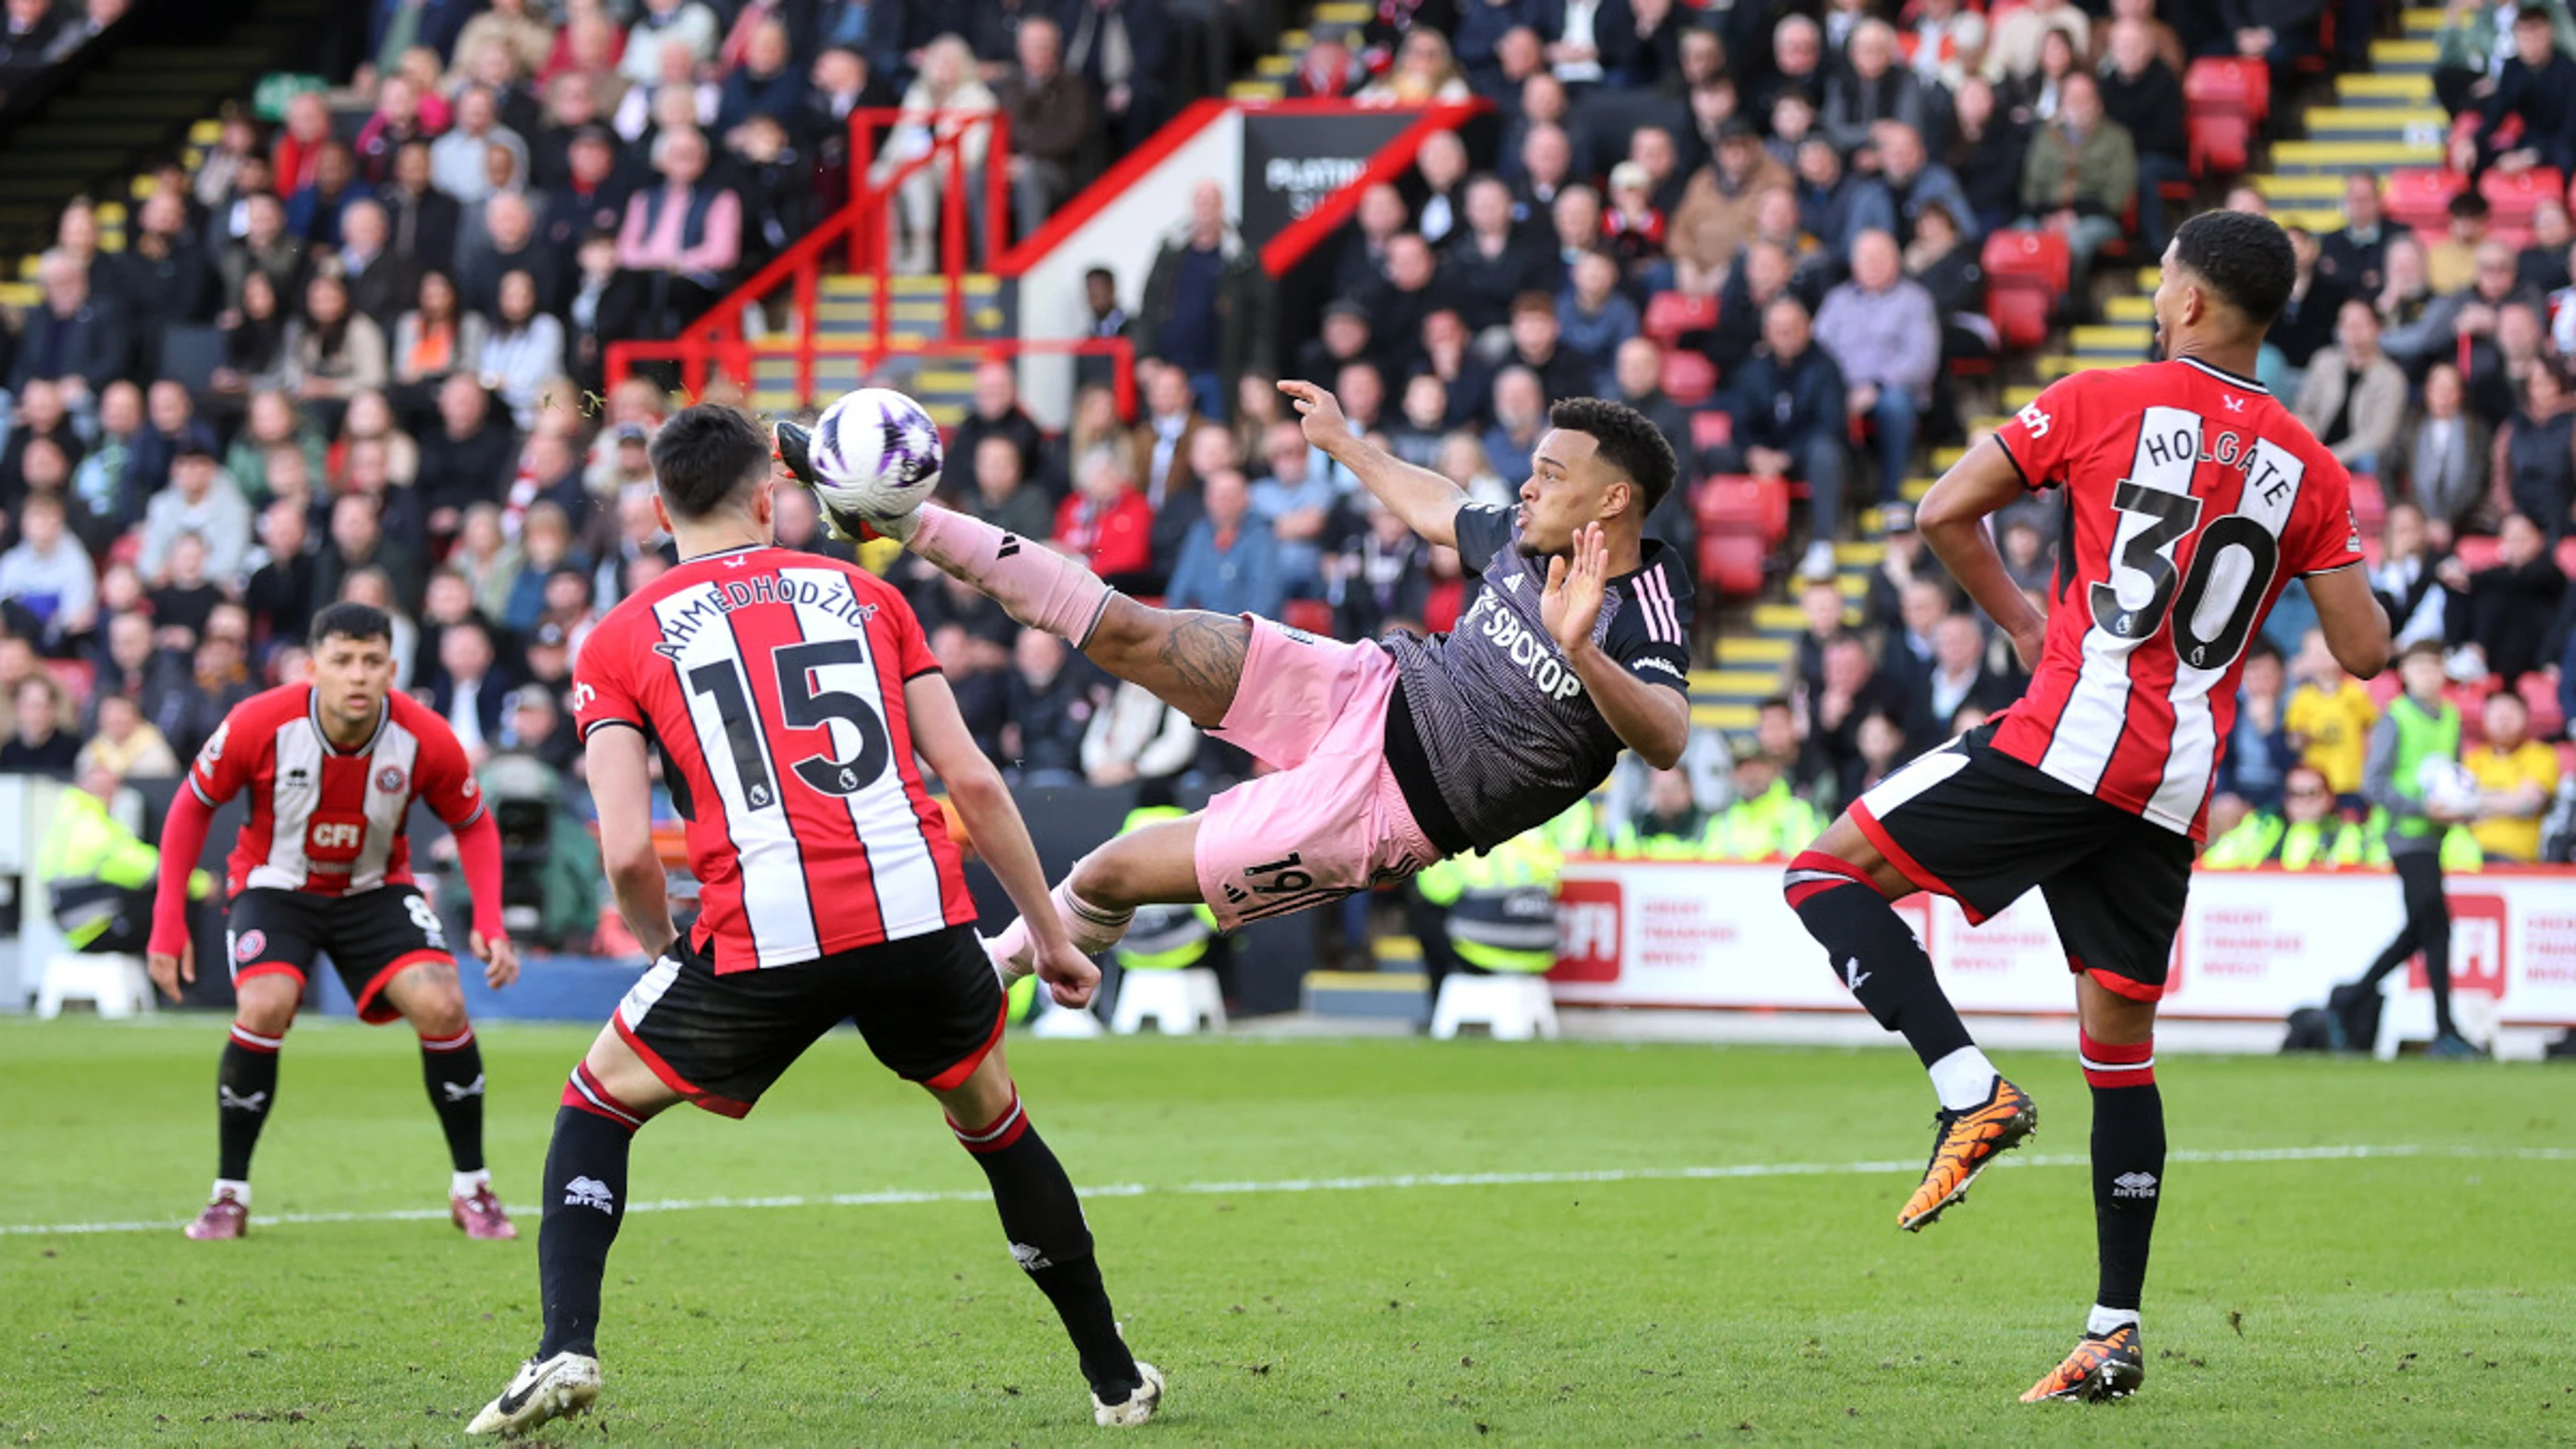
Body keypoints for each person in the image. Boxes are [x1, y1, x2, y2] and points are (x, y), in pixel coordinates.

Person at [1778, 211, 2389, 1401]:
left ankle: (1969, 1089)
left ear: (2191, 303)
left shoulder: (2104, 398)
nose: (2157, 296)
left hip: (2070, 737)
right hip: (2174, 783)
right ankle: (2113, 1331)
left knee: (1823, 874)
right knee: (2120, 1056)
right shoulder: (2310, 467)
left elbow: (1941, 512)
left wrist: (2021, 620)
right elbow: (2363, 649)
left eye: (2164, 281)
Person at [482, 406, 1162, 1436]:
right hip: (916, 916)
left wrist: (667, 951)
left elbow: (624, 853)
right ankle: (1113, 1378)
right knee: (995, 1125)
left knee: (595, 1108)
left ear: (658, 511)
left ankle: (564, 1346)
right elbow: (975, 782)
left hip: (760, 935)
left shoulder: (617, 638)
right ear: (769, 499)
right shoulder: (869, 595)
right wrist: (1052, 936)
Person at [777, 382, 1692, 990]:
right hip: (1369, 688)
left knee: (1111, 873)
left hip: (1387, 808)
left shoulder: (1648, 599)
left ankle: (993, 976)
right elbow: (1439, 506)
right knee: (1131, 627)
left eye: (1549, 475)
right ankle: (900, 517)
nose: (1527, 488)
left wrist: (1583, 651)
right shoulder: (1528, 541)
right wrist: (1345, 444)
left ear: (1613, 500)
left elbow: (1665, 738)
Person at [144, 602, 523, 1242]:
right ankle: (229, 1194)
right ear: (312, 668)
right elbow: (190, 807)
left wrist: (491, 918)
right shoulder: (259, 722)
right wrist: (167, 922)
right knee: (265, 1004)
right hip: (277, 885)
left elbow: (475, 824)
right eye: (342, 660)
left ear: (392, 671)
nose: (357, 675)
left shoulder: (424, 736)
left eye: (372, 662)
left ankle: (472, 1188)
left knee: (443, 1004)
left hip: (375, 889)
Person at [2341, 641, 2479, 1058]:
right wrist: (2423, 808)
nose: (2428, 675)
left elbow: (2456, 775)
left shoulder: (2451, 718)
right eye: (2420, 667)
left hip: (2435, 837)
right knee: (2434, 924)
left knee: (2426, 926)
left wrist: (2460, 808)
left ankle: (2351, 1000)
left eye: (2434, 667)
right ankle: (2444, 1029)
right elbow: (2373, 782)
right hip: (2404, 835)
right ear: (2405, 674)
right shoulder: (2396, 717)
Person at [40, 753, 213, 954]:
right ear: (84, 784)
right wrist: (202, 885)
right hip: (93, 930)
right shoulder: (94, 827)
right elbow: (145, 869)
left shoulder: (67, 815)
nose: (110, 794)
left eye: (113, 786)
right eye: (104, 787)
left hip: (73, 928)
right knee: (178, 902)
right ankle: (177, 974)